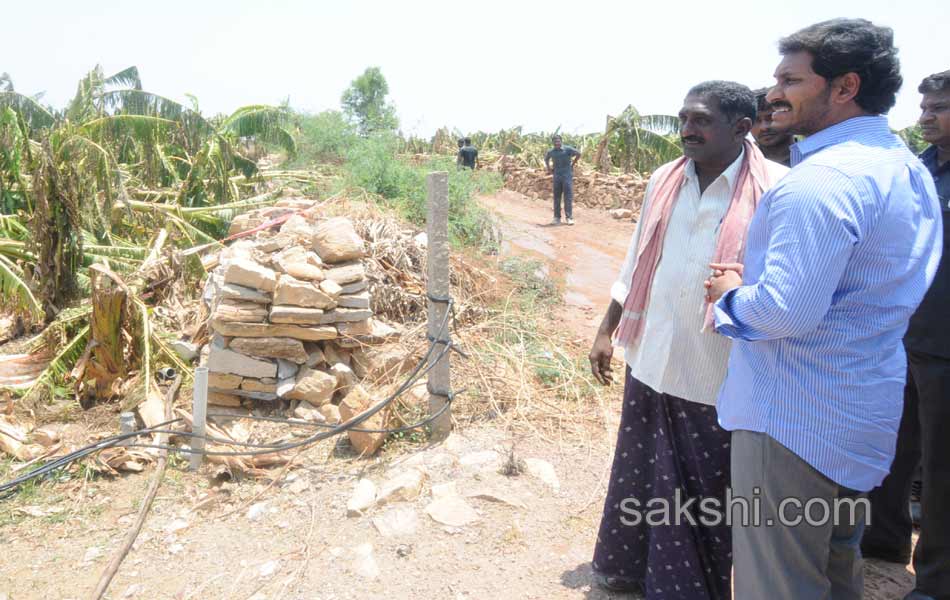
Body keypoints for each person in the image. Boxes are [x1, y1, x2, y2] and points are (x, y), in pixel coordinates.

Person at [704, 19, 942, 600]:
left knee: (777, 585)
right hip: (857, 411)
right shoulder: (904, 167)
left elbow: (784, 313)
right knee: (836, 570)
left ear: (844, 86)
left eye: (790, 79)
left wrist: (730, 295)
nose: (772, 92)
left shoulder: (821, 182)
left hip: (791, 419)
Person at [588, 81, 788, 599]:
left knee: (702, 491)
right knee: (640, 470)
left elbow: (781, 287)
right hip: (651, 357)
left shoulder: (778, 189)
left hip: (715, 370)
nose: (686, 130)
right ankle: (629, 570)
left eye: (701, 120)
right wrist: (606, 330)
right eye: (683, 118)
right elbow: (637, 261)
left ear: (742, 128)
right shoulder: (664, 179)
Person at [862, 70, 950, 600]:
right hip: (906, 336)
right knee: (893, 448)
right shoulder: (923, 168)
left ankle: (936, 582)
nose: (925, 117)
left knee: (942, 472)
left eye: (938, 107)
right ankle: (886, 541)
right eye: (924, 107)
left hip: (947, 350)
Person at [751, 87, 794, 166]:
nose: (764, 127)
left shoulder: (814, 156)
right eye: (756, 121)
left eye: (771, 118)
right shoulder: (742, 164)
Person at [544, 135, 580, 225]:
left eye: (558, 141)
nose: (557, 143)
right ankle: (557, 218)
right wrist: (549, 169)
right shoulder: (551, 152)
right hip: (557, 176)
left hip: (567, 175)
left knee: (568, 197)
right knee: (557, 197)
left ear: (561, 141)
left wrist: (573, 164)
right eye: (555, 142)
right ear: (553, 143)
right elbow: (546, 159)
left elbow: (578, 153)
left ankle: (569, 218)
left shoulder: (567, 149)